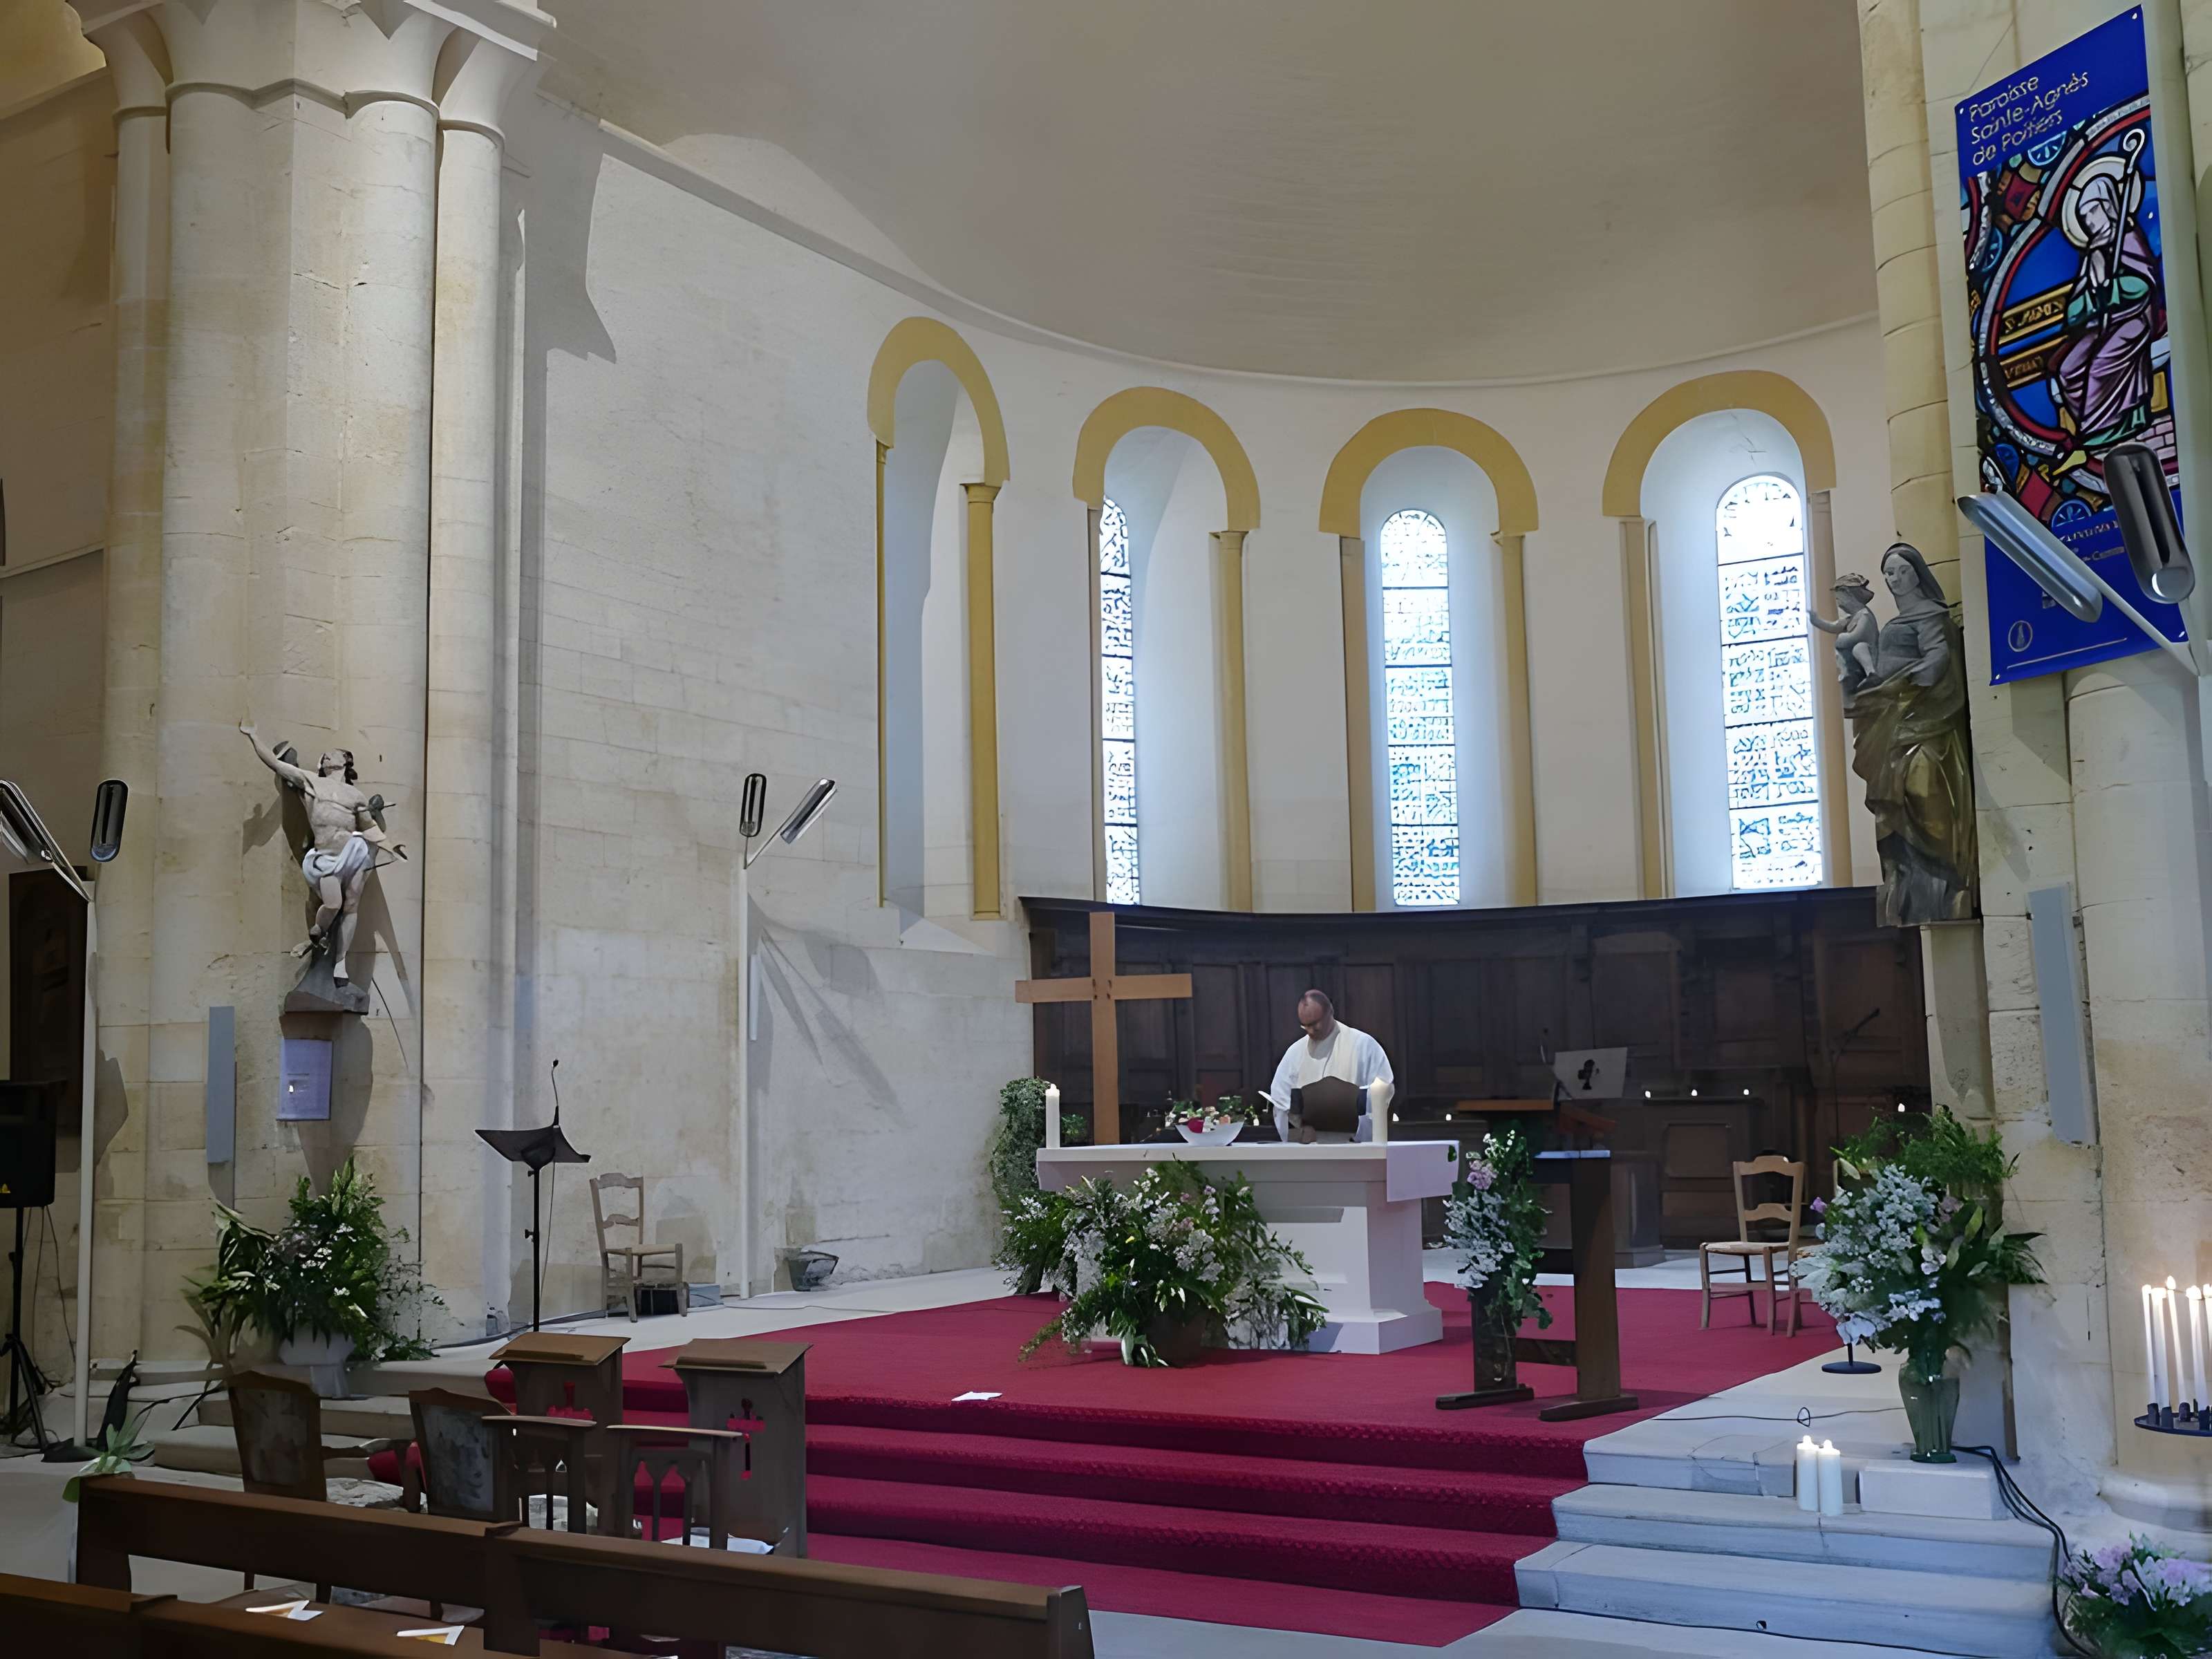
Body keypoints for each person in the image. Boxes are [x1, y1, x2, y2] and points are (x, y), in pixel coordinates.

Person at [1844, 544, 1976, 926]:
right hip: (1891, 721)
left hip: (1926, 717)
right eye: (1889, 572)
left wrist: (1908, 681)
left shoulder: (1931, 616)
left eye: (1903, 570)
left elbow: (1938, 656)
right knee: (1890, 800)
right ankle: (1902, 872)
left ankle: (1947, 871)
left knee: (1923, 787)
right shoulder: (1891, 624)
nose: (1895, 579)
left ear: (1918, 573)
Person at [240, 722, 406, 984]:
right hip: (325, 857)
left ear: (345, 761)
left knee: (351, 905)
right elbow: (274, 763)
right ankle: (319, 931)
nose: (326, 756)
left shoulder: (355, 795)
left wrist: (391, 846)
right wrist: (253, 736)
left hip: (352, 855)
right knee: (332, 903)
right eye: (325, 755)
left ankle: (340, 963)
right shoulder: (311, 782)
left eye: (333, 754)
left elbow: (369, 828)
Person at [1264, 989, 1394, 1143]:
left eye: (1315, 1025)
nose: (1310, 1031)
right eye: (1305, 1026)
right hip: (1309, 1146)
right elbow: (1280, 1099)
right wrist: (1299, 1125)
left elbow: (1382, 1095)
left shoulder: (1363, 1046)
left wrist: (1351, 1111)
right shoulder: (1295, 1052)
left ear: (1330, 1012)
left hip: (1352, 1145)